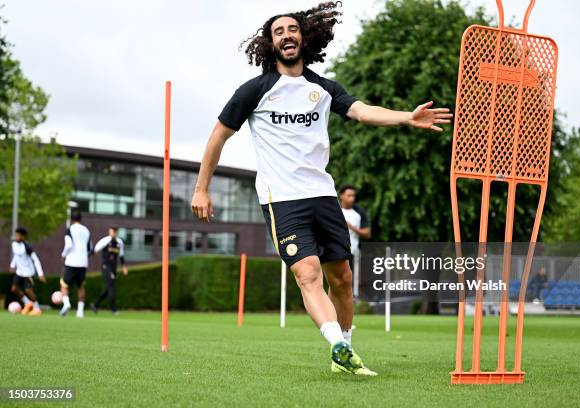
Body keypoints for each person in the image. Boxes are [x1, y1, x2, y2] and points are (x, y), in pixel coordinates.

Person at [190, 2, 451, 376]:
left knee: (342, 279)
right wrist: (201, 188)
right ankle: (338, 345)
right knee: (307, 273)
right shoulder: (254, 91)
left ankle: (344, 347)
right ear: (270, 43)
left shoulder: (323, 88)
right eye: (278, 32)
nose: (286, 36)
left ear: (304, 37)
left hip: (323, 195)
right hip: (282, 199)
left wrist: (407, 117)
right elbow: (218, 136)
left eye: (292, 30)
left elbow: (361, 111)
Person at [59, 210, 92, 318]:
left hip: (71, 261)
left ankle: (67, 303)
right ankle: (80, 311)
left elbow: (68, 244)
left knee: (64, 285)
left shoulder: (70, 229)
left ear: (72, 219)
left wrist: (63, 254)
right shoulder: (86, 230)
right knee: (81, 286)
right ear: (80, 219)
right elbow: (90, 248)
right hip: (83, 262)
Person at [90, 227, 128, 315]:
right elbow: (95, 250)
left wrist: (124, 267)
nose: (112, 233)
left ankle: (95, 304)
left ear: (117, 232)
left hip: (113, 268)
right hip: (106, 267)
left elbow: (121, 256)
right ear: (109, 232)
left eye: (114, 231)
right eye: (111, 231)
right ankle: (113, 309)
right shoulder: (105, 240)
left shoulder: (120, 242)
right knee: (112, 287)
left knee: (108, 288)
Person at [9, 227, 46, 316]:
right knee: (14, 289)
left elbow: (36, 260)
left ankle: (37, 309)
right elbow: (16, 256)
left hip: (28, 272)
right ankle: (28, 303)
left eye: (19, 235)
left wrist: (40, 274)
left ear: (23, 237)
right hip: (19, 272)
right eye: (16, 235)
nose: (17, 237)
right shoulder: (14, 244)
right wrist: (12, 265)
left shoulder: (27, 247)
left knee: (28, 290)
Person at [338, 184, 371, 272]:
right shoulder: (335, 211)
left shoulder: (359, 211)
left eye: (353, 196)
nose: (352, 198)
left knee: (353, 282)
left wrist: (352, 227)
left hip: (353, 252)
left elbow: (367, 234)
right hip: (336, 252)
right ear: (341, 196)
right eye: (349, 195)